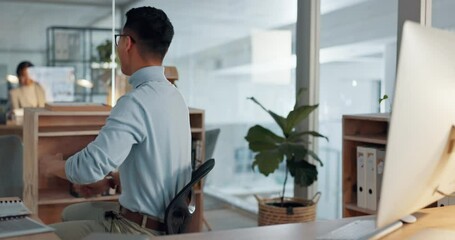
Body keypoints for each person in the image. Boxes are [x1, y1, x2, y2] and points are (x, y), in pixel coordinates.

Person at [43, 6, 192, 240]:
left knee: (45, 235)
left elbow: (87, 168)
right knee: (71, 211)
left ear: (127, 43)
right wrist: (111, 180)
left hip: (140, 228)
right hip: (167, 221)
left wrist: (50, 166)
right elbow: (158, 167)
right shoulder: (176, 97)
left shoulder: (135, 102)